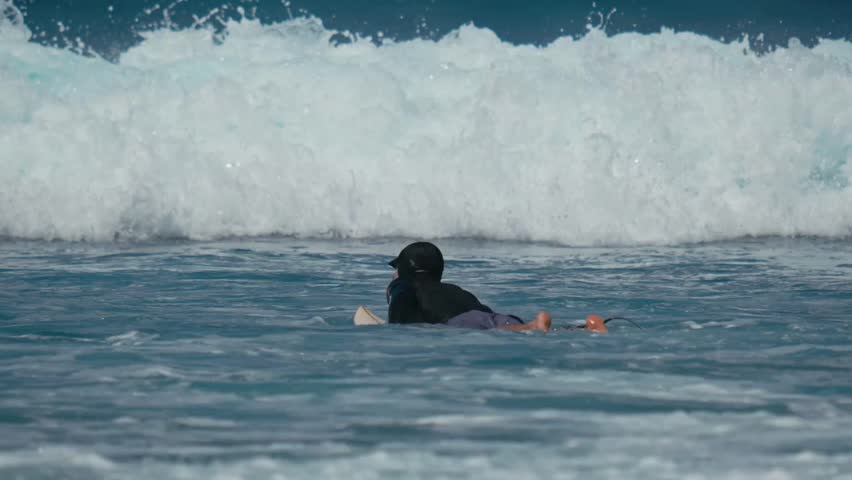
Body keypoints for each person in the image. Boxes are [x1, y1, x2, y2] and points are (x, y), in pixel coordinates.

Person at [385, 242, 553, 332]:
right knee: (510, 328)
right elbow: (484, 313)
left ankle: (533, 326)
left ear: (406, 269)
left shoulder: (404, 284)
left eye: (396, 269)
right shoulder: (453, 290)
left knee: (515, 330)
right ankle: (572, 328)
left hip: (463, 323)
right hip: (495, 317)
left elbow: (400, 320)